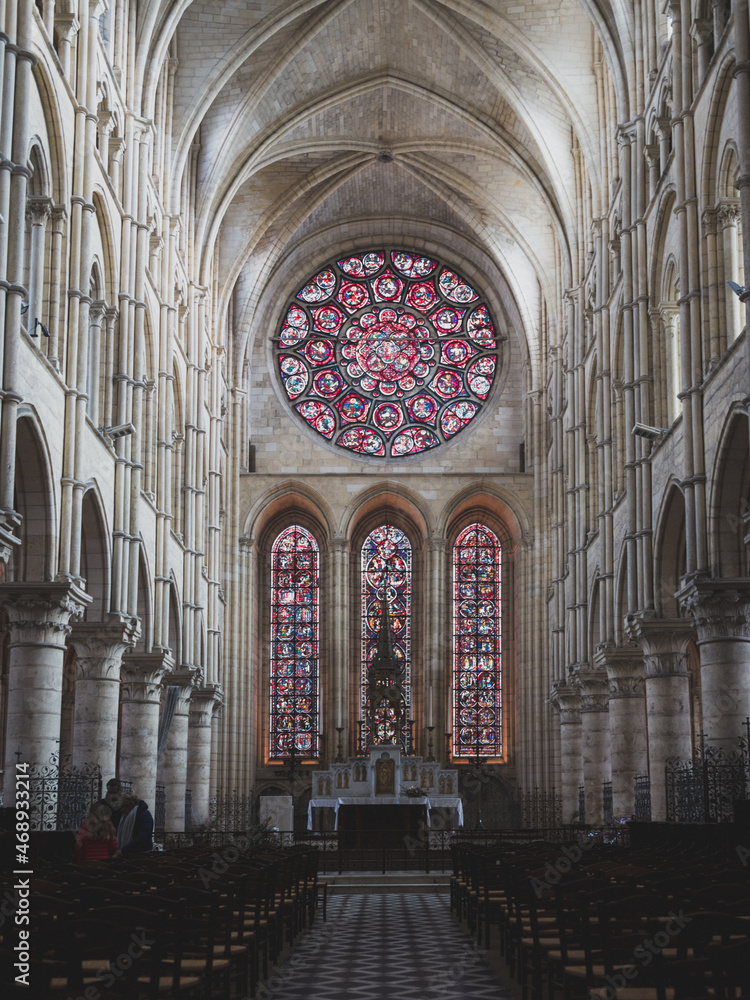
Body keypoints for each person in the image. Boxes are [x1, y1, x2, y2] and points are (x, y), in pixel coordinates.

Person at [113, 793, 154, 858]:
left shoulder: (144, 814)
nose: (121, 810)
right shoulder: (126, 816)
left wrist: (124, 850)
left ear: (129, 806)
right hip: (129, 853)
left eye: (122, 807)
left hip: (141, 854)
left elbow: (143, 837)